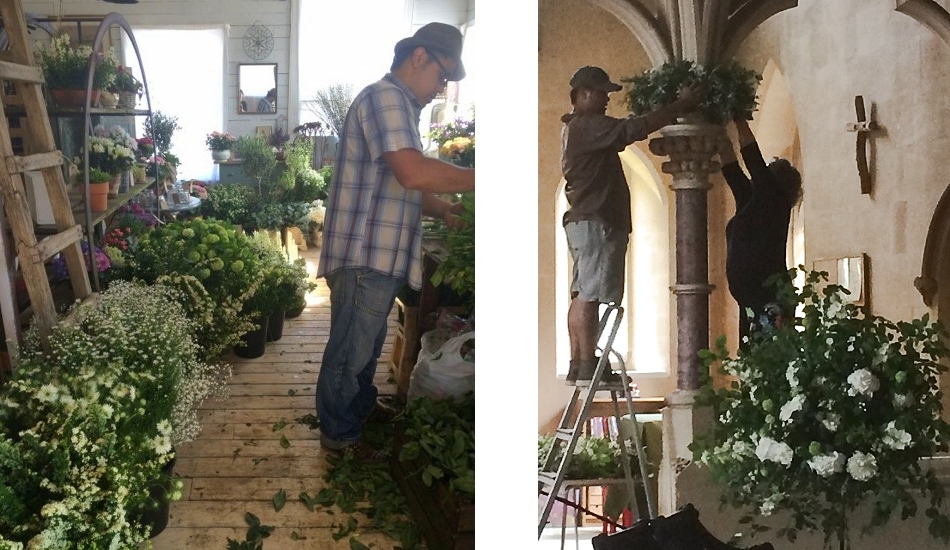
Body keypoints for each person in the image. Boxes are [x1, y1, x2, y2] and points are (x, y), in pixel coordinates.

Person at [315, 22, 474, 460]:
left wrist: (443, 209)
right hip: (365, 253)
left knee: (364, 347)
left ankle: (359, 410)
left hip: (376, 254)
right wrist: (482, 178)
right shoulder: (386, 98)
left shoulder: (398, 104)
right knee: (350, 350)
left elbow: (400, 183)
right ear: (419, 57)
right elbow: (413, 171)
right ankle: (340, 436)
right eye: (442, 75)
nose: (441, 88)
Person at [561, 66, 703, 385]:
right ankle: (587, 366)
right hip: (597, 221)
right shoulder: (586, 125)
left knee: (583, 293)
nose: (607, 99)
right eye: (602, 93)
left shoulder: (577, 128)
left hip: (587, 221)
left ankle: (580, 363)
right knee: (588, 295)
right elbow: (633, 129)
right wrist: (680, 104)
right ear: (583, 94)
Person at [718, 117, 802, 346]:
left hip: (769, 298)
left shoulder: (774, 201)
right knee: (756, 362)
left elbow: (752, 156)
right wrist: (716, 124)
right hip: (753, 300)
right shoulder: (753, 201)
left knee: (767, 360)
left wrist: (738, 117)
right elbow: (732, 169)